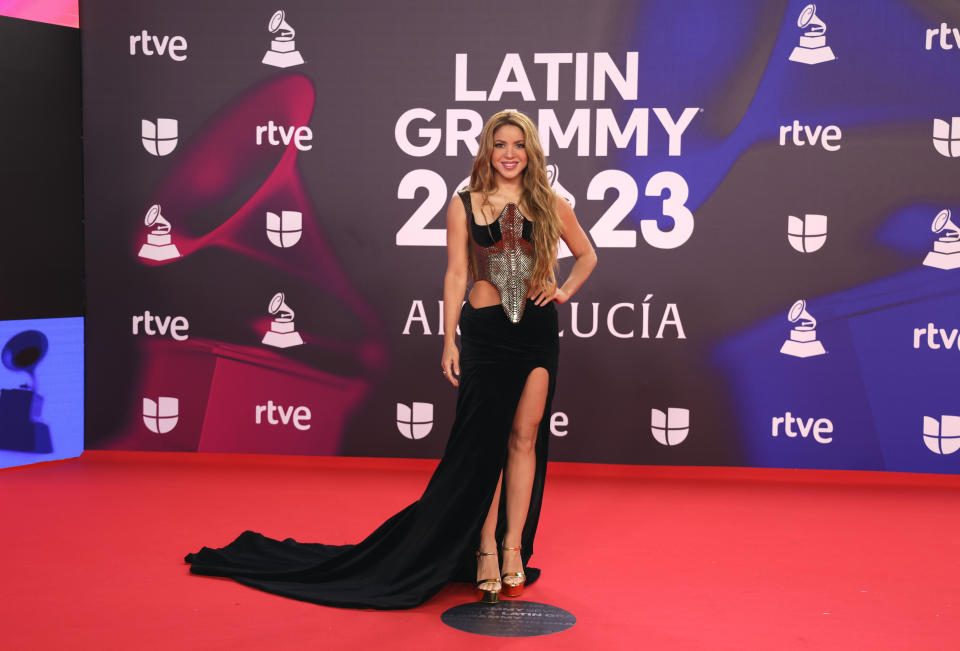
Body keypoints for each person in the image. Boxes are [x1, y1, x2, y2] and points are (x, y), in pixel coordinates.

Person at [184, 110, 597, 609]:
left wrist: (564, 290)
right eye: (499, 144)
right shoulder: (464, 202)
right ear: (487, 151)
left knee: (525, 440)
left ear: (532, 152)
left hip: (536, 335)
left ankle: (514, 548)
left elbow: (587, 254)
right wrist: (449, 340)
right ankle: (484, 550)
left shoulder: (549, 202)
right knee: (485, 448)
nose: (509, 154)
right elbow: (455, 274)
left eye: (518, 145)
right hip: (486, 335)